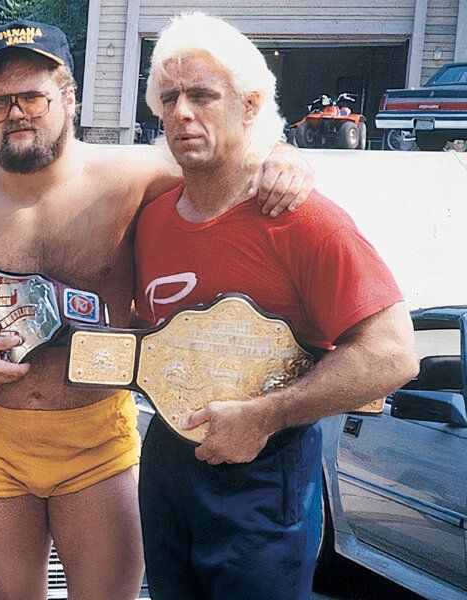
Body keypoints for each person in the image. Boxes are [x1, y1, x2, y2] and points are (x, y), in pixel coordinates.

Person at [0, 20, 314, 600]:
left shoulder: (135, 177)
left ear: (68, 96)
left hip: (97, 440)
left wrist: (281, 152)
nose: (16, 113)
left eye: (32, 97)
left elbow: (226, 162)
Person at [132, 13, 418, 599]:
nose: (182, 112)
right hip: (165, 464)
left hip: (266, 472)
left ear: (250, 105)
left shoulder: (302, 218)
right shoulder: (149, 215)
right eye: (169, 98)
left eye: (203, 95)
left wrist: (265, 416)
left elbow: (394, 355)